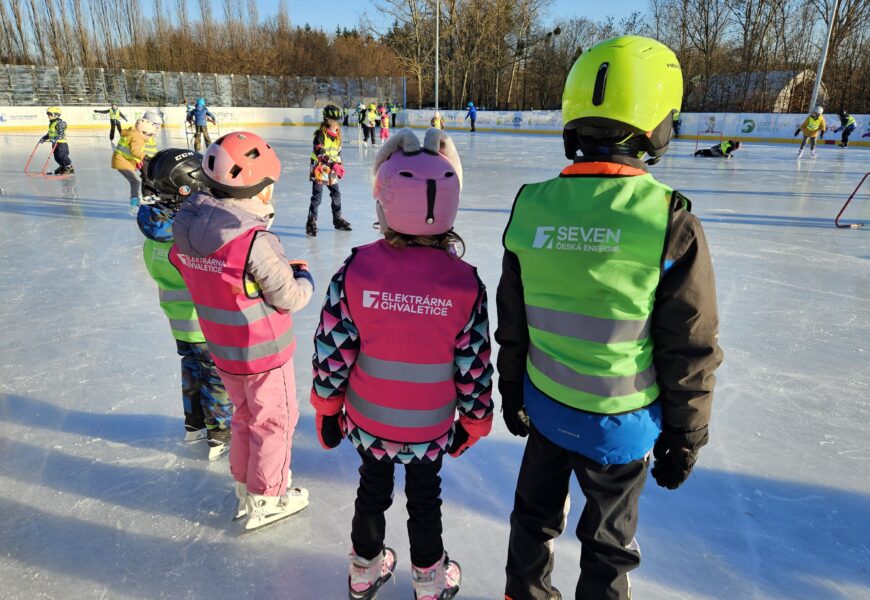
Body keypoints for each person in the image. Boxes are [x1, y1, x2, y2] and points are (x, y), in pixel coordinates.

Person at [497, 35, 723, 600]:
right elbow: (689, 343)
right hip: (619, 427)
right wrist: (687, 434)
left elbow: (514, 318)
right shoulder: (668, 222)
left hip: (548, 408)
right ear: (657, 121)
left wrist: (510, 390)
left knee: (532, 521)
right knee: (607, 544)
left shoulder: (531, 205)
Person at [310, 127, 493, 600]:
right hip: (429, 428)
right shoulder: (465, 284)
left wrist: (328, 409)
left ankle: (364, 572)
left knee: (372, 490)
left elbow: (333, 351)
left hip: (369, 422)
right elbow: (473, 366)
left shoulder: (356, 270)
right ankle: (430, 580)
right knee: (424, 500)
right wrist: (474, 422)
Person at [170, 131, 314, 531]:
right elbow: (288, 297)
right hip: (264, 351)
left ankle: (244, 484)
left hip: (223, 347)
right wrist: (306, 279)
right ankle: (268, 496)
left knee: (244, 415)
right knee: (275, 421)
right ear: (259, 189)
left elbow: (187, 266)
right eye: (269, 187)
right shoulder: (253, 240)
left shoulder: (185, 226)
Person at [136, 149, 233, 459]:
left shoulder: (154, 238)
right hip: (204, 324)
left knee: (191, 369)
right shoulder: (188, 242)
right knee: (215, 375)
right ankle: (219, 430)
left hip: (178, 324)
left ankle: (194, 423)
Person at [306, 105, 352, 237]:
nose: (336, 123)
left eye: (338, 121)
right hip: (320, 167)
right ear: (327, 119)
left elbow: (337, 152)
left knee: (336, 193)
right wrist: (333, 165)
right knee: (317, 196)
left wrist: (340, 165)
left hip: (332, 168)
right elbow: (320, 154)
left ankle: (337, 220)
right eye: (334, 120)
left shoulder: (337, 135)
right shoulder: (320, 135)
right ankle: (311, 222)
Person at [112, 117, 155, 212]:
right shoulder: (137, 137)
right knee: (135, 182)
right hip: (122, 162)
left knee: (135, 181)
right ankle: (134, 205)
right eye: (149, 134)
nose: (150, 137)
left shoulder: (133, 133)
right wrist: (146, 157)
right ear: (143, 132)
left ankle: (135, 201)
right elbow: (135, 151)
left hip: (123, 160)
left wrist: (137, 161)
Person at [39, 107, 73, 175]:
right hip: (55, 143)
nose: (48, 115)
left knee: (62, 156)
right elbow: (50, 133)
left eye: (50, 114)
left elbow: (61, 134)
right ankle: (62, 167)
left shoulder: (60, 123)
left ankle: (69, 168)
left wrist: (56, 138)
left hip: (61, 144)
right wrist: (44, 138)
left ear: (55, 115)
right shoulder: (52, 123)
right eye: (48, 114)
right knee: (57, 157)